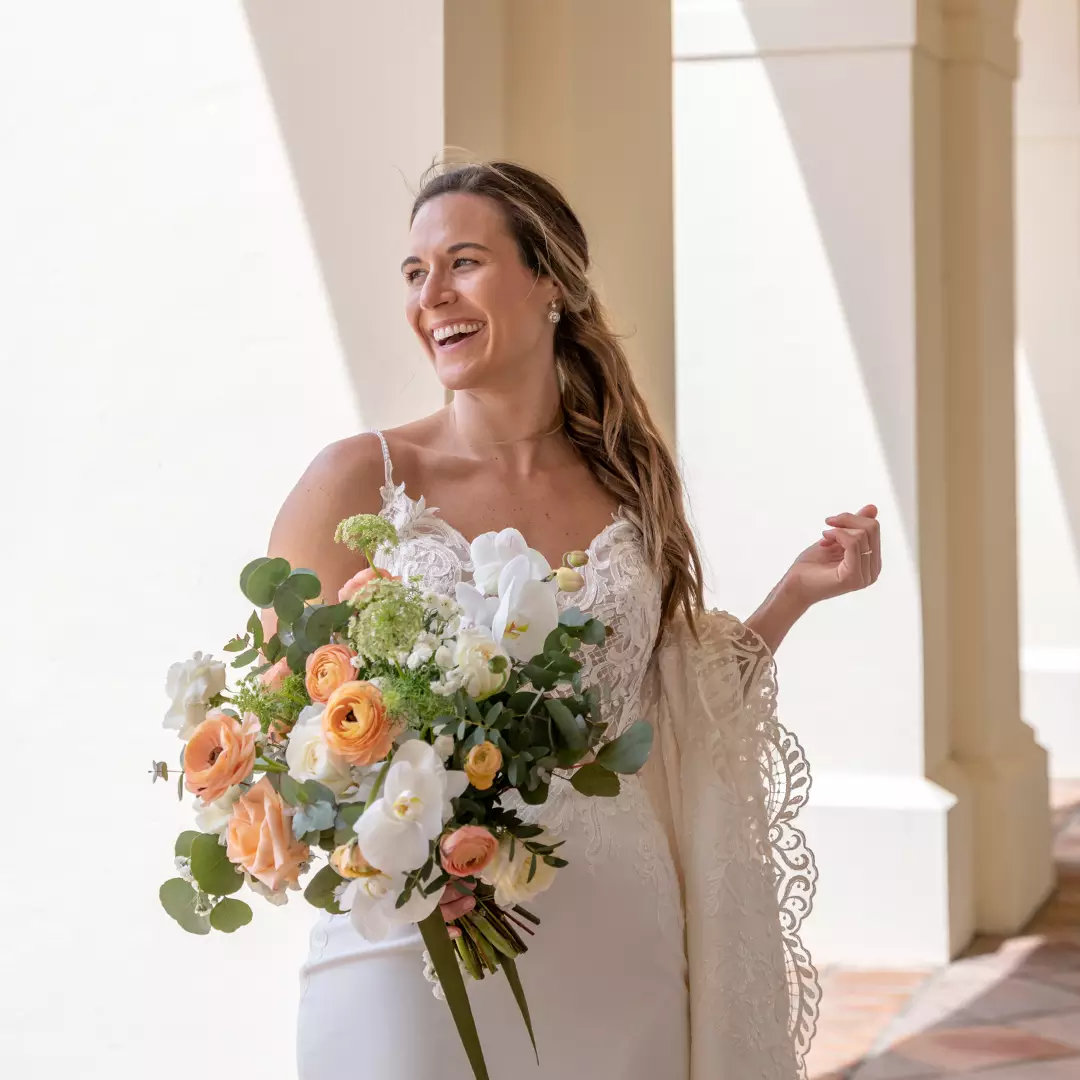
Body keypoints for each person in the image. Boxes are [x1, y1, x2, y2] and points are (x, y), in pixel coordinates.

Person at [270, 160, 881, 1080]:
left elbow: (672, 701)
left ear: (548, 280)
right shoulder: (360, 481)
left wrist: (796, 591)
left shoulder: (628, 481)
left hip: (616, 939)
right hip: (417, 943)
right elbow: (283, 719)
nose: (430, 294)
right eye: (413, 271)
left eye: (462, 262)